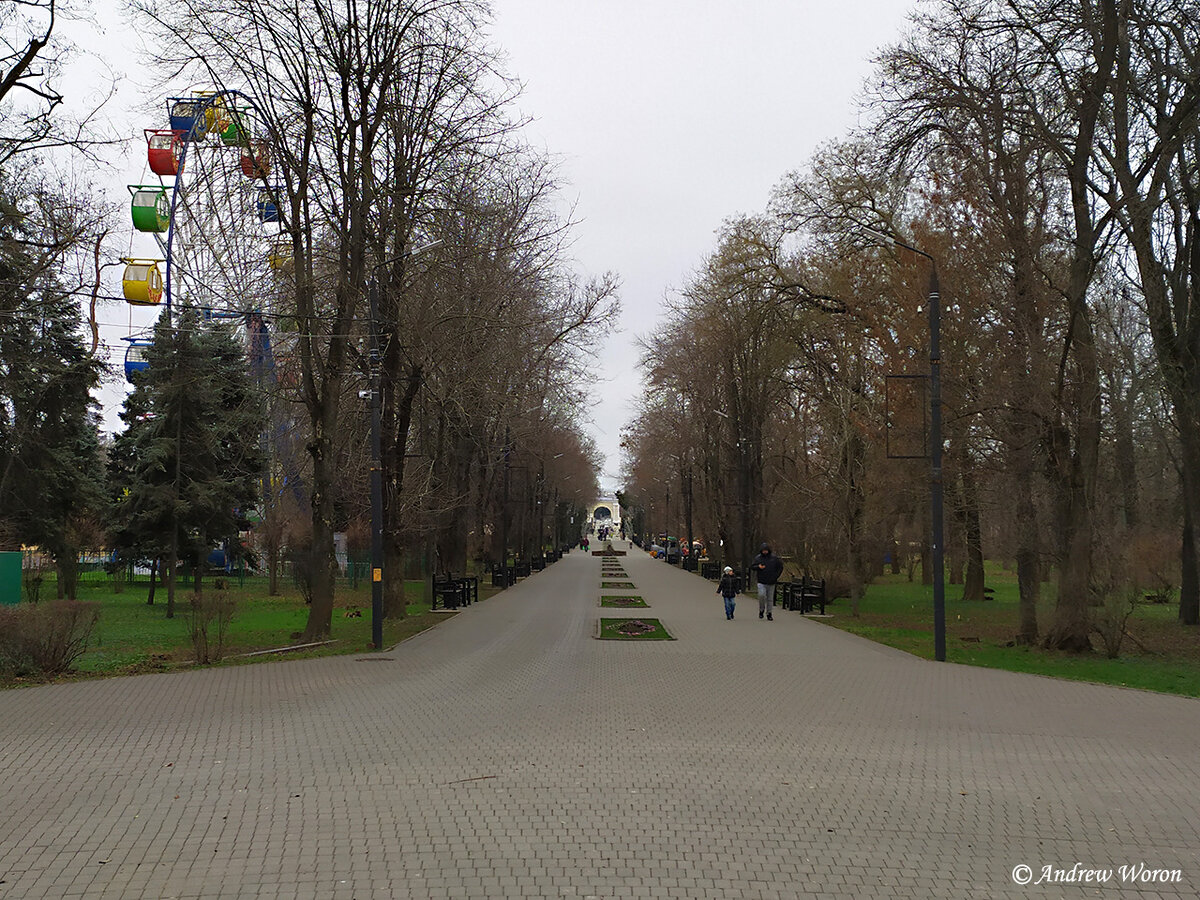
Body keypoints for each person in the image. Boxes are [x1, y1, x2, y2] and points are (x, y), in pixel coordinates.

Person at [754, 542, 783, 620]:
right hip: (761, 581)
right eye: (763, 550)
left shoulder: (774, 558)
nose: (765, 552)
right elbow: (752, 566)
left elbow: (780, 567)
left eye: (766, 550)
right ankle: (761, 609)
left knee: (770, 599)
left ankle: (769, 613)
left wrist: (776, 576)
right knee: (761, 595)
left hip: (771, 581)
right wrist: (758, 567)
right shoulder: (758, 558)